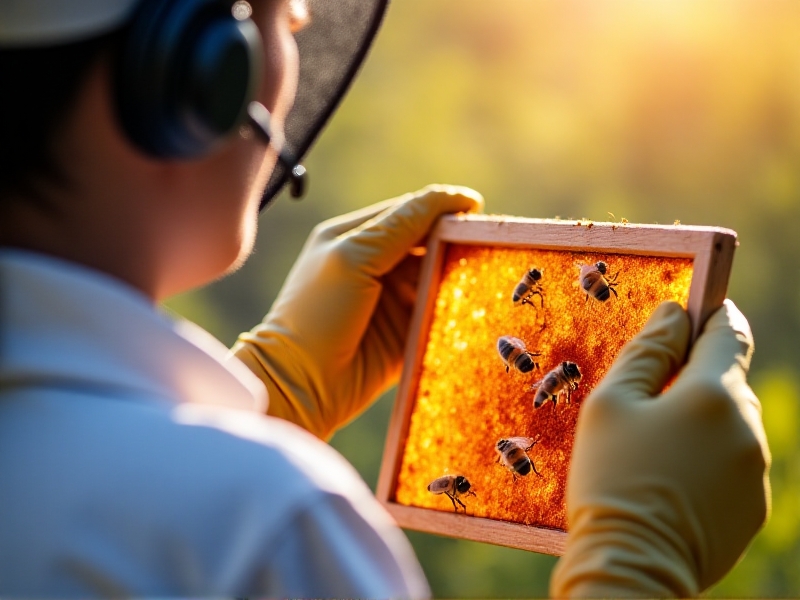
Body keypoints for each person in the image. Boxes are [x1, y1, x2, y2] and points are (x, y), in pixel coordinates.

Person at [0, 0, 770, 597]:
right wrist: (631, 566)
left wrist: (270, 396)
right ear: (197, 71)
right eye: (287, 21)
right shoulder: (271, 529)